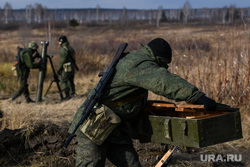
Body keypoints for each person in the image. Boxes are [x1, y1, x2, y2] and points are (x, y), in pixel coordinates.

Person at [68, 38, 217, 167]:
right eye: (165, 63)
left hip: (113, 128)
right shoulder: (139, 64)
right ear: (158, 58)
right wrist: (197, 96)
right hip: (93, 126)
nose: (165, 67)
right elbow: (164, 81)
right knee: (92, 163)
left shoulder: (138, 60)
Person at [57, 35, 76, 100]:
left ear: (61, 42)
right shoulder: (70, 47)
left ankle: (67, 96)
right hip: (72, 66)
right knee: (70, 80)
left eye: (59, 42)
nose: (59, 43)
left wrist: (58, 69)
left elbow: (62, 61)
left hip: (66, 67)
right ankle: (72, 93)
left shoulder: (63, 49)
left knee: (63, 81)